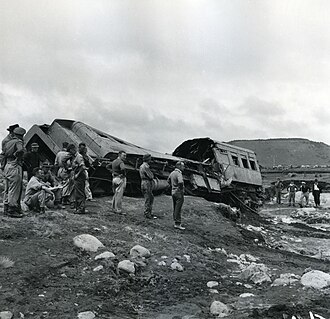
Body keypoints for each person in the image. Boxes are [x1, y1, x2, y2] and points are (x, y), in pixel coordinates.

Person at [3, 127, 26, 217]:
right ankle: (12, 210)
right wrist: (18, 157)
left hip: (7, 165)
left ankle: (6, 208)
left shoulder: (8, 142)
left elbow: (3, 153)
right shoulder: (18, 142)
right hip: (15, 165)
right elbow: (20, 150)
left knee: (7, 188)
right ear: (22, 135)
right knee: (14, 188)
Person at [68, 144, 87, 214]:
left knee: (80, 193)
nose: (70, 153)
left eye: (70, 151)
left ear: (73, 150)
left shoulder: (79, 156)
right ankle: (78, 208)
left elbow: (83, 167)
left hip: (80, 177)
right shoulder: (74, 157)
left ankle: (81, 208)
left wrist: (77, 174)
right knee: (76, 193)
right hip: (76, 176)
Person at [167, 161, 185, 230]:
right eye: (183, 166)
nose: (184, 167)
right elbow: (180, 182)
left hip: (173, 191)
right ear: (179, 166)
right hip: (178, 192)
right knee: (178, 208)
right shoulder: (179, 173)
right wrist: (180, 189)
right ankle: (177, 223)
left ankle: (175, 221)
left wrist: (173, 186)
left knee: (175, 207)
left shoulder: (172, 173)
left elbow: (168, 181)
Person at [139, 154, 156, 219]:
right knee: (149, 198)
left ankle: (148, 212)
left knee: (149, 197)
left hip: (143, 182)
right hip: (147, 182)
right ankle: (147, 213)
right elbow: (151, 176)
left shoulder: (141, 166)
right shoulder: (146, 166)